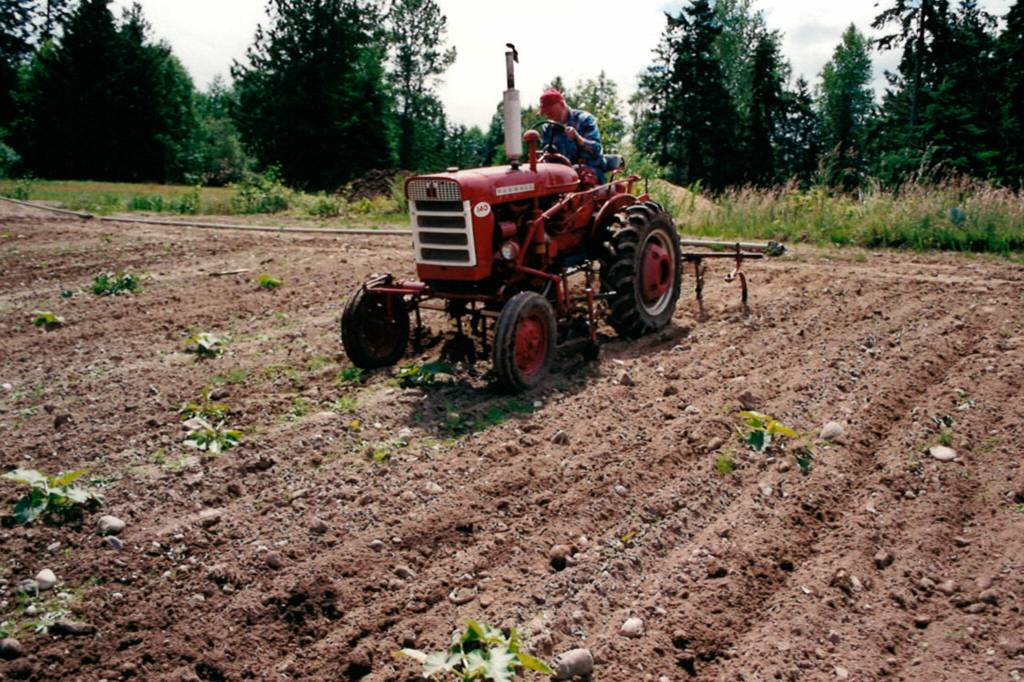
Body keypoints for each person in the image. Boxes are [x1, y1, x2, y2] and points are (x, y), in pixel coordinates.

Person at [538, 88, 605, 181]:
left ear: (561, 104)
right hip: (561, 175)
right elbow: (544, 154)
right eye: (546, 113)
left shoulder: (585, 119)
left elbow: (597, 149)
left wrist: (578, 138)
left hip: (588, 173)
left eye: (550, 112)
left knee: (576, 172)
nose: (547, 115)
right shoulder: (548, 128)